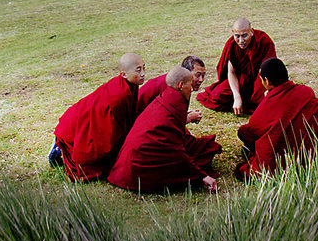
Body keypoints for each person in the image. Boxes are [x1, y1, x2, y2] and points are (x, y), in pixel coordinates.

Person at [108, 66, 218, 193]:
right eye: (190, 85)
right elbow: (174, 149)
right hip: (137, 168)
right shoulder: (174, 102)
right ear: (181, 85)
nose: (192, 88)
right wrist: (202, 176)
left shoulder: (167, 96)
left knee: (206, 147)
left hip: (130, 159)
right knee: (198, 159)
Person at [49, 52, 146, 182]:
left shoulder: (128, 85)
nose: (143, 74)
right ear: (123, 74)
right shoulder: (119, 95)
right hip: (74, 127)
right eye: (138, 70)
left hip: (77, 117)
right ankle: (58, 150)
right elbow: (108, 129)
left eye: (144, 68)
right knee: (95, 167)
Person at [235, 57, 318, 179]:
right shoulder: (307, 92)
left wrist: (267, 100)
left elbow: (253, 129)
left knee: (244, 132)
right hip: (311, 157)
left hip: (278, 164)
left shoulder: (269, 103)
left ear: (267, 81)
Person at [137, 55, 221, 170]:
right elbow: (161, 123)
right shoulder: (169, 87)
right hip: (149, 137)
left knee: (207, 147)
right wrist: (188, 118)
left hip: (163, 131)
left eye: (203, 75)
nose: (201, 80)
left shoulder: (183, 85)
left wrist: (185, 116)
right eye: (197, 75)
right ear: (185, 73)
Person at [197, 17, 275, 115]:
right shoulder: (231, 45)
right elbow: (231, 72)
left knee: (260, 101)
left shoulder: (263, 41)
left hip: (259, 78)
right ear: (233, 33)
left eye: (244, 36)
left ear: (251, 31)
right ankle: (242, 100)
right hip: (241, 79)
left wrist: (266, 90)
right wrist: (237, 97)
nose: (241, 40)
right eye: (237, 36)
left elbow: (268, 69)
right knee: (217, 96)